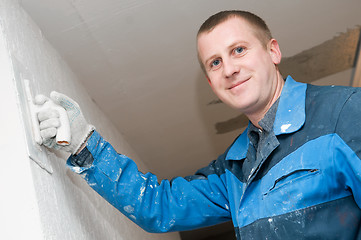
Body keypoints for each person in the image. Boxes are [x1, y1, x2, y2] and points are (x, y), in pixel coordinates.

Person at [36, 10, 361, 239]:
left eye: (239, 50)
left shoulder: (345, 112)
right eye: (215, 62)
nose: (229, 69)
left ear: (272, 51)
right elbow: (158, 207)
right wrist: (82, 143)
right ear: (210, 81)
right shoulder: (235, 167)